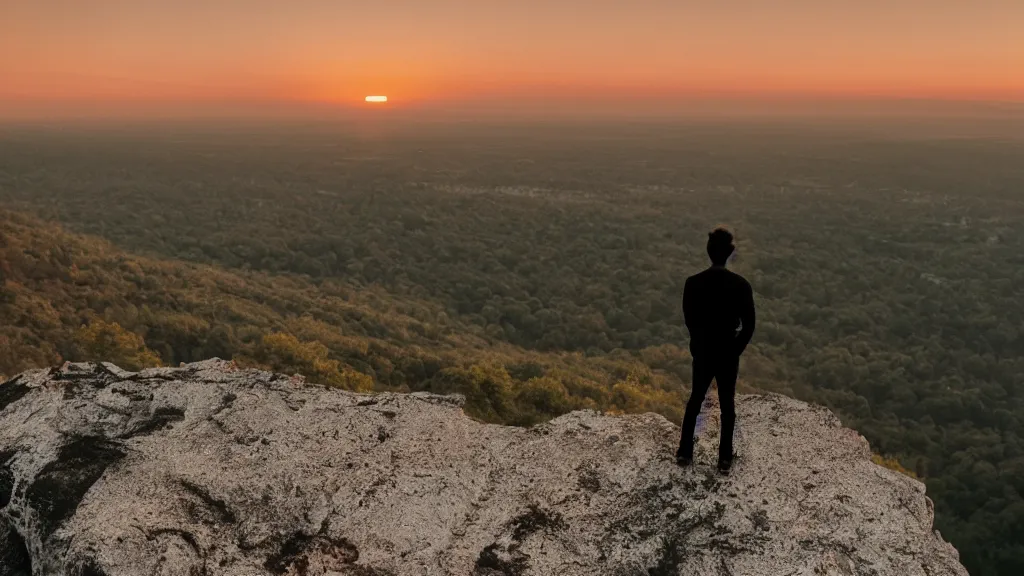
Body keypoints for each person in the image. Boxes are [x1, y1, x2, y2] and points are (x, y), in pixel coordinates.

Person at [676, 227, 755, 475]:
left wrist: (698, 343)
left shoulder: (693, 283)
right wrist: (735, 349)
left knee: (695, 400)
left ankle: (685, 452)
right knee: (727, 405)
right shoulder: (740, 285)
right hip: (727, 351)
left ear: (709, 251)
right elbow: (749, 325)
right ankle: (724, 459)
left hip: (703, 350)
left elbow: (690, 319)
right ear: (729, 253)